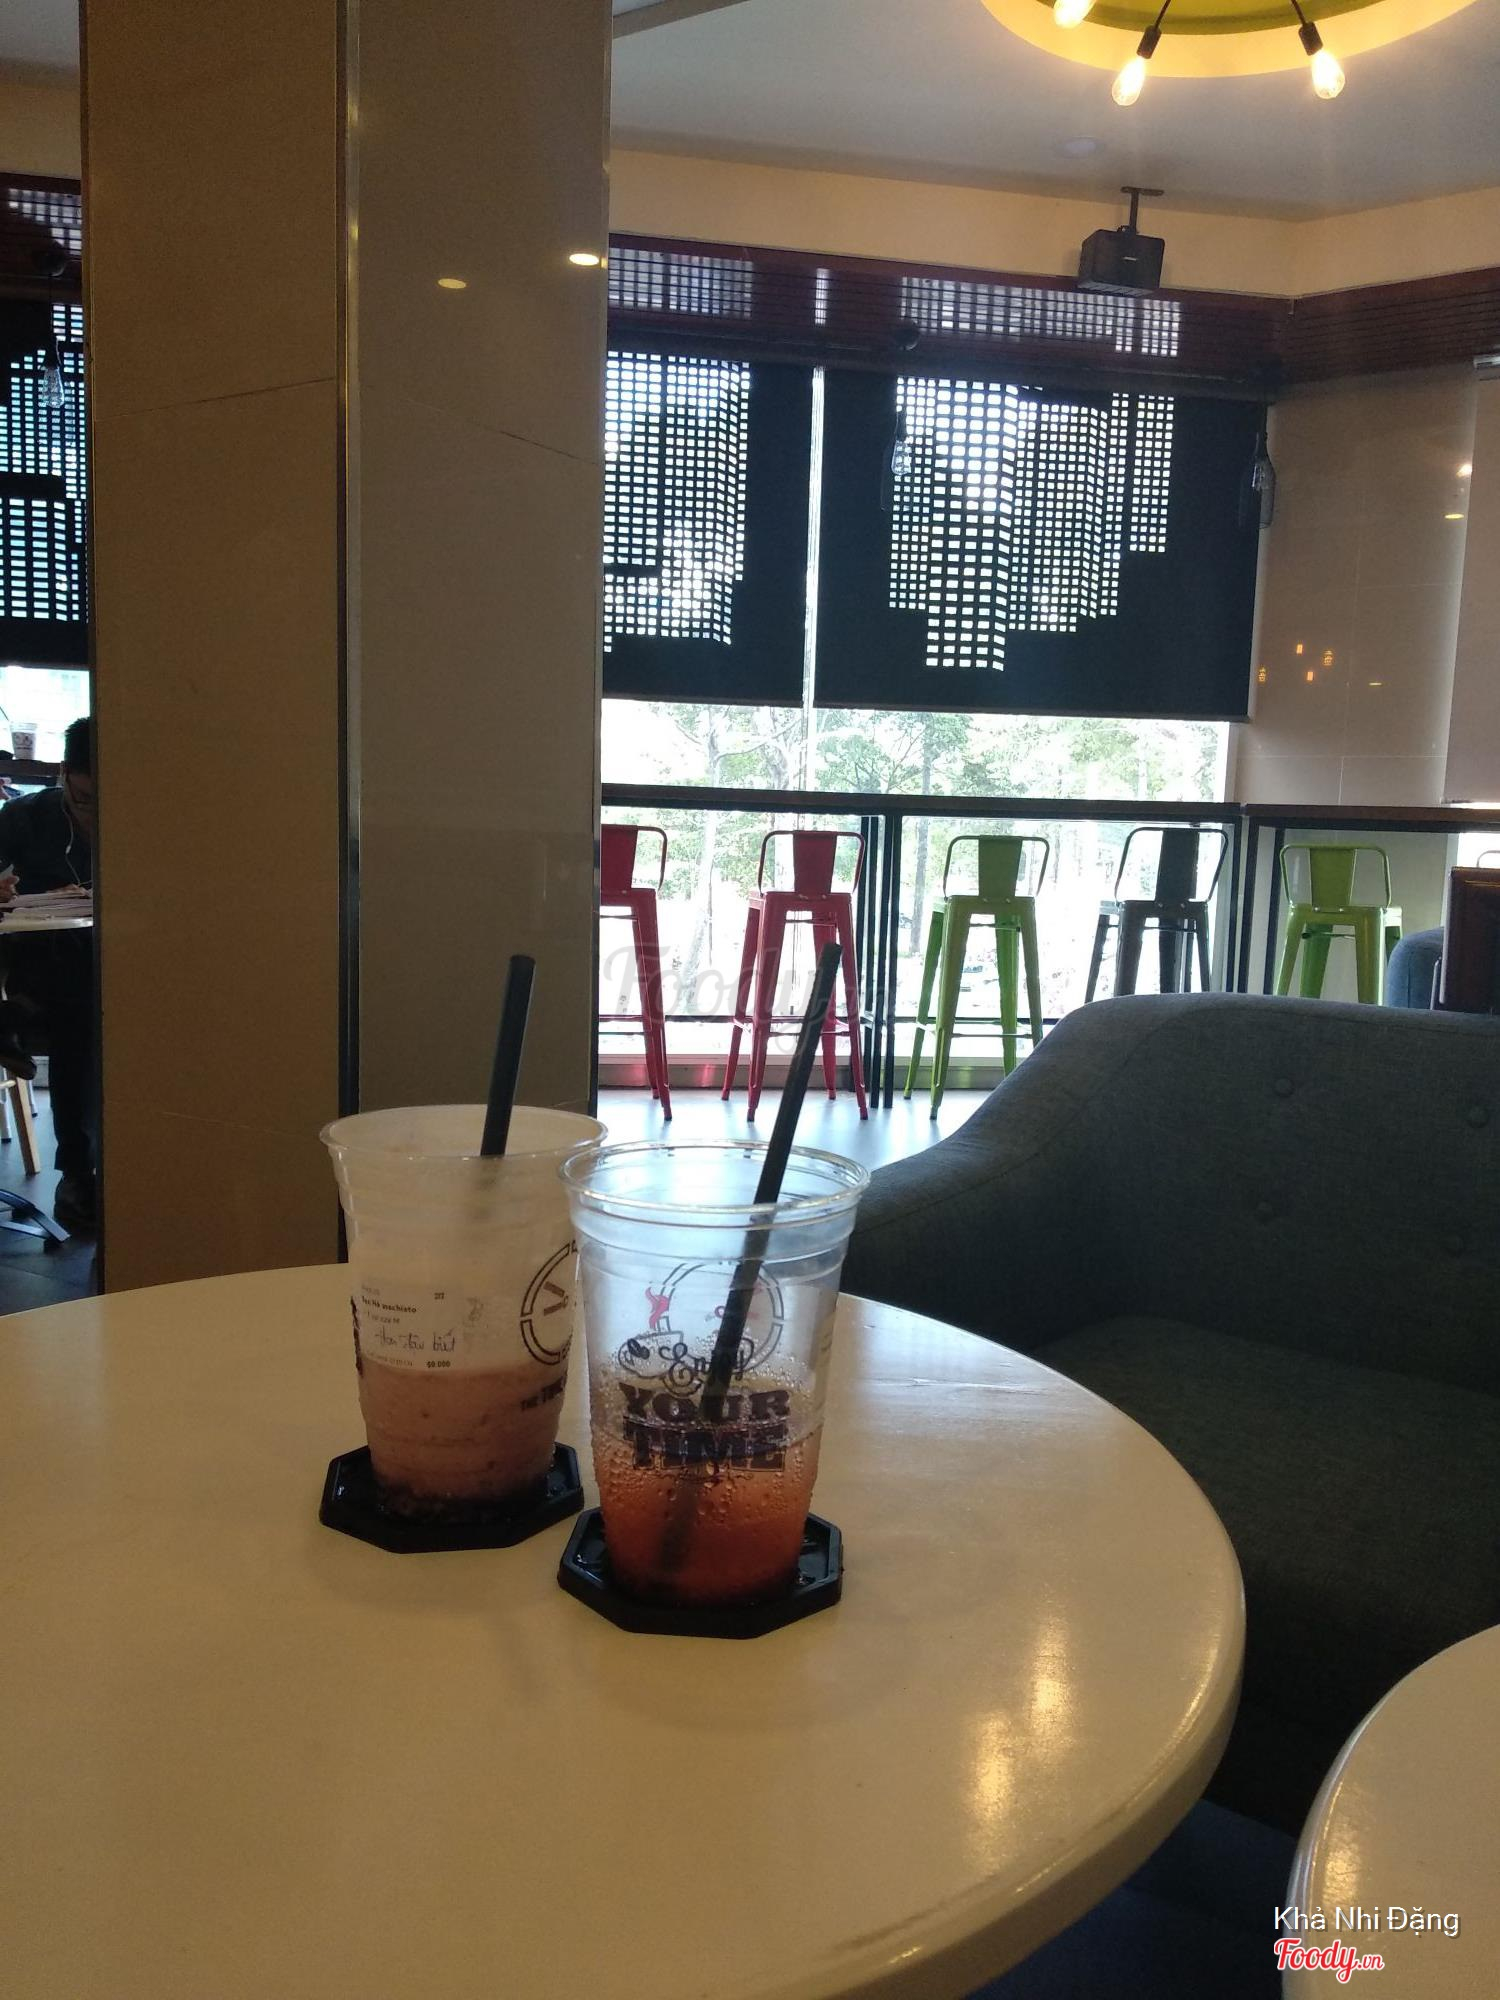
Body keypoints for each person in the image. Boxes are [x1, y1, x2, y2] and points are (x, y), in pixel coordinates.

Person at [0, 717, 96, 1229]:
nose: (92, 814)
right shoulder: (25, 818)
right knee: (77, 1025)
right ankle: (79, 1173)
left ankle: (81, 1173)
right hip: (48, 969)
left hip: (121, 970)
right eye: (83, 800)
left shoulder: (153, 818)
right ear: (63, 774)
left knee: (80, 1027)